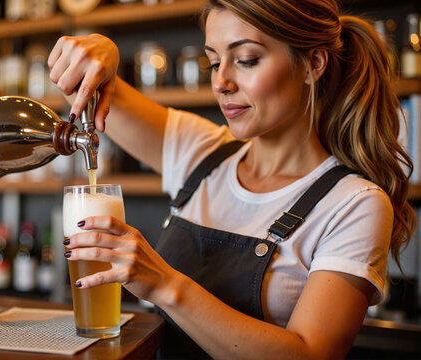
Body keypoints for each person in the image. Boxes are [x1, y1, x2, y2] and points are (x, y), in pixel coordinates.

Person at [48, 0, 416, 358]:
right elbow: (87, 83)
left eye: (246, 60)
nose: (221, 82)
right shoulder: (204, 153)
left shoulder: (355, 203)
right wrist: (103, 49)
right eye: (213, 62)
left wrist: (164, 284)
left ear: (312, 64)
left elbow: (311, 352)